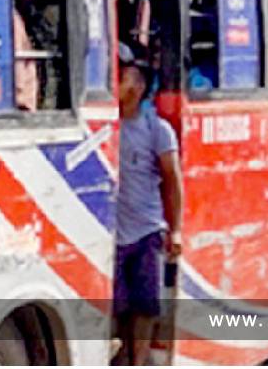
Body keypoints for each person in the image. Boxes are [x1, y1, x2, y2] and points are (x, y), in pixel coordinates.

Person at [112, 43, 183, 366]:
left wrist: (176, 230)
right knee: (118, 306)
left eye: (123, 77)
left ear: (139, 87)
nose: (116, 82)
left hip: (146, 231)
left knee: (144, 306)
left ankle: (138, 361)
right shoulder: (106, 127)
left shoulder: (157, 130)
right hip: (113, 234)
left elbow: (172, 181)